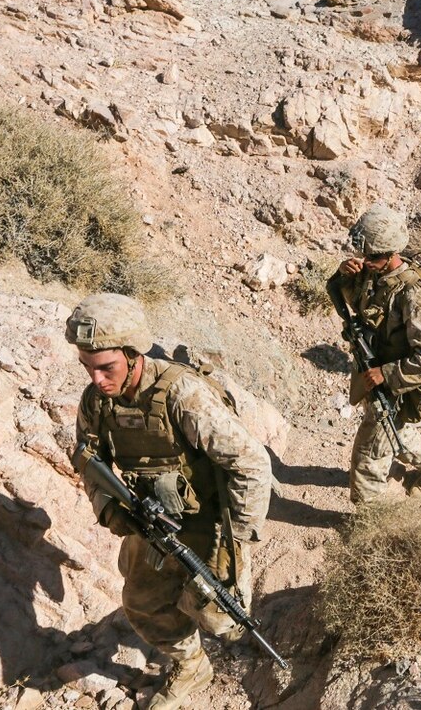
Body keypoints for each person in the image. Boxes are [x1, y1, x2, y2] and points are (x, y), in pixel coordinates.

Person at [66, 293, 272, 710]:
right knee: (141, 604)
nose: (97, 379)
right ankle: (192, 665)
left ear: (133, 354)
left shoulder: (181, 395)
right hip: (150, 521)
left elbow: (251, 463)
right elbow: (89, 462)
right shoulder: (96, 402)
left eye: (106, 368)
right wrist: (111, 510)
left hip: (210, 518)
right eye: (87, 367)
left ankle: (227, 617)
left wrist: (239, 537)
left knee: (221, 618)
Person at [327, 204, 421, 503]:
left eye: (371, 257)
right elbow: (354, 302)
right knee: (392, 427)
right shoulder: (374, 271)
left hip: (396, 383)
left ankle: (369, 516)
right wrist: (344, 275)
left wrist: (386, 374)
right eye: (364, 255)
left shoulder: (413, 293)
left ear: (390, 254)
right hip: (374, 370)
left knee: (367, 456)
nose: (365, 261)